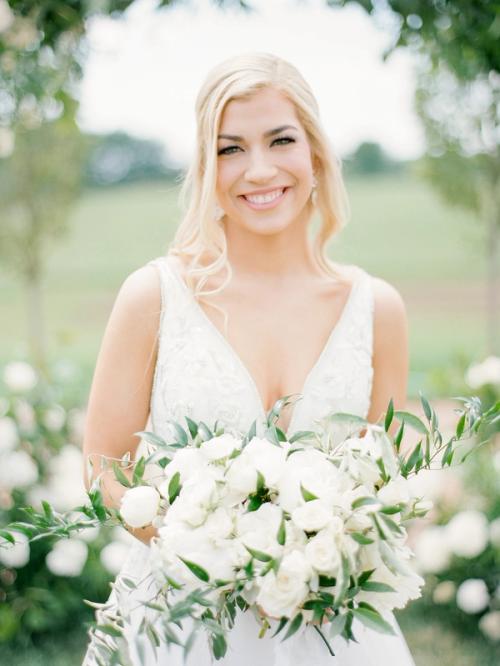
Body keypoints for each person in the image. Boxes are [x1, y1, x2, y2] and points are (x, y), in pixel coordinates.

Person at [82, 52, 414, 665]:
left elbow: (385, 485)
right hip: (176, 626)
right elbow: (103, 468)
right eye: (229, 148)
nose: (258, 170)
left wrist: (328, 553)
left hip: (328, 631)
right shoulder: (154, 296)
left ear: (314, 152)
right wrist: (212, 556)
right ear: (206, 168)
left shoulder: (377, 310)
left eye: (280, 140)